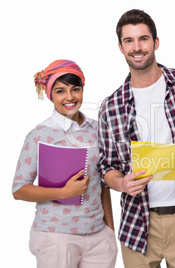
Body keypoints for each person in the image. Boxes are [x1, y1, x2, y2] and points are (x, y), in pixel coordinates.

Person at [97, 9, 175, 268]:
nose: (137, 47)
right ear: (121, 47)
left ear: (155, 43)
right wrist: (122, 183)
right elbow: (106, 166)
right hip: (138, 224)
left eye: (143, 39)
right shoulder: (111, 106)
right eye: (129, 41)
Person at [12, 59, 118, 268]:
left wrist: (110, 231)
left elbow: (102, 183)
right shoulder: (39, 135)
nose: (69, 97)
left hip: (98, 237)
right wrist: (63, 192)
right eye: (60, 91)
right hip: (56, 236)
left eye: (75, 89)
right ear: (50, 94)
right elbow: (19, 189)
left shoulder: (98, 129)